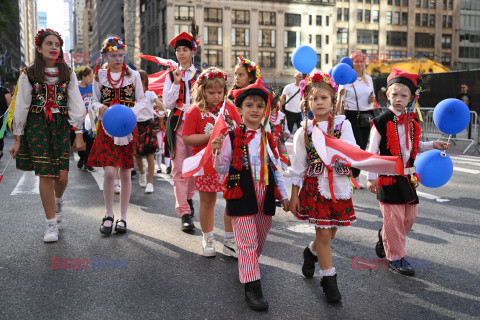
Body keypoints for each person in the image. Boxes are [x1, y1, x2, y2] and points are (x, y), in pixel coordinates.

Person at [212, 79, 289, 311]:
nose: (254, 110)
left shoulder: (269, 138)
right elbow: (222, 168)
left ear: (265, 110)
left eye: (259, 106)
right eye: (249, 105)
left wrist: (284, 195)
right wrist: (217, 151)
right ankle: (252, 286)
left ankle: (248, 268)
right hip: (241, 191)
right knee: (246, 241)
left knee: (260, 237)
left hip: (264, 192)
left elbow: (276, 167)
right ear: (240, 110)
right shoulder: (231, 135)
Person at [366, 68, 450, 276]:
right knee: (394, 219)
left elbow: (415, 147)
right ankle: (396, 258)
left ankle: (385, 235)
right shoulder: (380, 121)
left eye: (403, 95)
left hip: (407, 178)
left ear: (411, 98)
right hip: (387, 178)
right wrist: (371, 178)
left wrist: (433, 145)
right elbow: (371, 151)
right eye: (394, 94)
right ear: (388, 96)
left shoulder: (413, 123)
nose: (398, 99)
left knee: (409, 218)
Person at [8, 28, 86, 242]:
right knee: (46, 175)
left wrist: (78, 133)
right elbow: (22, 106)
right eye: (49, 44)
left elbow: (76, 103)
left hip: (60, 126)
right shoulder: (28, 74)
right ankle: (51, 224)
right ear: (39, 48)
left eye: (57, 44)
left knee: (62, 177)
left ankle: (58, 200)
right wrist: (17, 138)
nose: (54, 47)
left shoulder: (68, 73)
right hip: (37, 126)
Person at [289, 72, 357, 304]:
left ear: (332, 100)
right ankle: (329, 281)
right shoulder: (303, 132)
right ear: (307, 102)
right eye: (314, 99)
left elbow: (351, 151)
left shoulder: (343, 125)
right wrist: (294, 195)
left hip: (338, 184)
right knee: (325, 234)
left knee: (332, 230)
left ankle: (310, 252)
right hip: (316, 187)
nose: (319, 102)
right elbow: (297, 166)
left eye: (324, 98)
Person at [86, 36, 147, 235]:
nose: (118, 59)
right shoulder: (99, 75)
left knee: (126, 172)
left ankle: (123, 218)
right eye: (113, 55)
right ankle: (108, 214)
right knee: (111, 172)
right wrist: (99, 107)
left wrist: (130, 114)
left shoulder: (134, 75)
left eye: (121, 55)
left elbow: (141, 101)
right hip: (107, 127)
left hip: (127, 126)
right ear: (105, 56)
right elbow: (93, 101)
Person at [182, 67, 242, 257]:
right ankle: (208, 238)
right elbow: (187, 138)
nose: (216, 96)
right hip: (206, 163)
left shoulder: (230, 108)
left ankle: (229, 240)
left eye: (220, 92)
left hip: (230, 162)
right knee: (208, 202)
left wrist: (229, 137)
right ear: (202, 91)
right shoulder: (194, 112)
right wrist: (211, 137)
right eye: (211, 92)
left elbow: (240, 129)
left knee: (232, 201)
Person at [163, 31, 200, 231]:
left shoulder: (201, 77)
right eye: (178, 50)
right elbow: (168, 103)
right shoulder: (170, 75)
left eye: (185, 50)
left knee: (193, 166)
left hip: (196, 126)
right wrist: (176, 83)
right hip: (177, 124)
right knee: (178, 168)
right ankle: (184, 212)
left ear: (192, 52)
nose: (181, 53)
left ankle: (189, 198)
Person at [336, 51, 376, 188]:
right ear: (352, 63)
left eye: (361, 61)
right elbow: (338, 104)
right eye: (356, 61)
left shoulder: (368, 79)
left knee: (364, 147)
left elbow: (372, 98)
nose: (359, 64)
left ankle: (354, 175)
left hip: (367, 115)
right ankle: (354, 176)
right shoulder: (346, 78)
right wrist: (340, 96)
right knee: (356, 145)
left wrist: (372, 99)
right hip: (351, 116)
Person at [136, 70, 160, 194]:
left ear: (145, 80)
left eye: (140, 79)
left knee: (150, 154)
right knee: (138, 155)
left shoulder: (151, 94)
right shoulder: (132, 94)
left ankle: (150, 182)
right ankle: (142, 173)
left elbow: (158, 103)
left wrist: (166, 110)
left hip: (149, 125)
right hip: (136, 126)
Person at [74, 66, 96, 172]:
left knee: (90, 143)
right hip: (79, 121)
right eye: (89, 76)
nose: (91, 79)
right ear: (83, 77)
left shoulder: (92, 87)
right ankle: (82, 158)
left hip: (90, 120)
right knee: (80, 145)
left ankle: (88, 163)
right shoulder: (76, 89)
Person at [153, 97, 169, 174]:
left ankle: (168, 167)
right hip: (158, 134)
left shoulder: (167, 114)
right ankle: (159, 167)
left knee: (167, 151)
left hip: (165, 134)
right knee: (158, 151)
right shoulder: (154, 114)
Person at [0, 75, 12, 160]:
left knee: (0, 137)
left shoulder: (4, 90)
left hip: (2, 119)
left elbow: (9, 106)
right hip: (2, 118)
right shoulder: (4, 90)